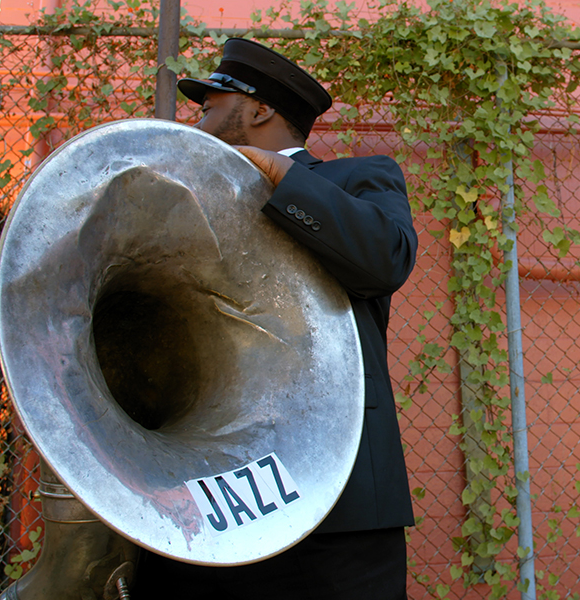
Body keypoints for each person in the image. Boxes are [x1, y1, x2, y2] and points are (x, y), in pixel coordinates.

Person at [132, 38, 418, 599]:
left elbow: (386, 257)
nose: (200, 118)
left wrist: (274, 177)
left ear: (259, 109)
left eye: (210, 105)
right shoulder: (184, 195)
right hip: (200, 502)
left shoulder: (358, 178)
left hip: (337, 515)